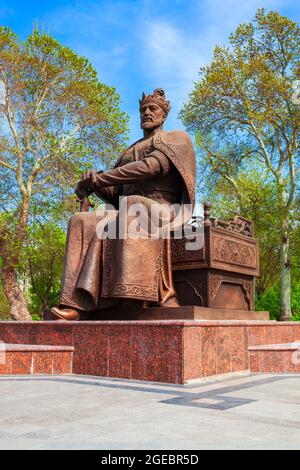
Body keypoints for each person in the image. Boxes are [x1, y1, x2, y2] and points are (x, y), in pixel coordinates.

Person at [51, 88, 196, 320]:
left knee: (133, 204)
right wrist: (93, 184)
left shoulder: (176, 138)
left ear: (164, 114)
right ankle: (76, 303)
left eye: (153, 109)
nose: (147, 113)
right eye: (143, 110)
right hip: (129, 209)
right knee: (81, 221)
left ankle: (130, 296)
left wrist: (103, 177)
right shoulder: (129, 150)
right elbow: (116, 194)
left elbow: (151, 167)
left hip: (163, 208)